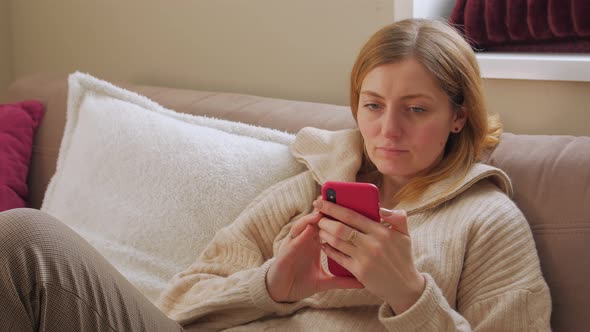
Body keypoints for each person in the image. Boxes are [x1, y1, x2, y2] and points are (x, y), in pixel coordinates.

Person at [0, 18, 551, 331]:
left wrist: (409, 296)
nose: (387, 130)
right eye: (372, 105)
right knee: (20, 238)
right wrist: (272, 286)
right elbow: (177, 302)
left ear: (458, 116)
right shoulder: (311, 190)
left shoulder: (488, 223)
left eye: (416, 109)